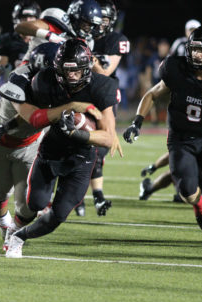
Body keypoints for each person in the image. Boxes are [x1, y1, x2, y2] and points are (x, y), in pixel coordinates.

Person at [123, 27, 202, 250]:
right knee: (187, 191)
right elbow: (153, 93)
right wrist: (137, 121)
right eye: (194, 50)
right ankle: (199, 207)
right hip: (181, 140)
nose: (197, 55)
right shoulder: (176, 68)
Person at [5, 39, 118, 258]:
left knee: (59, 214)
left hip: (82, 158)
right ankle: (15, 226)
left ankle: (19, 237)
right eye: (67, 71)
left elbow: (108, 138)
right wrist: (6, 127)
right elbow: (34, 115)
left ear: (86, 68)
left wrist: (78, 133)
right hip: (52, 151)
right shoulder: (45, 81)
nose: (71, 76)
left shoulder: (101, 86)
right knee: (34, 202)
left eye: (76, 71)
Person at [0, 42, 66, 250]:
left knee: (28, 203)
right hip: (0, 142)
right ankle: (2, 220)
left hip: (30, 144)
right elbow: (32, 117)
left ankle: (14, 232)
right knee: (0, 191)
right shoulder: (19, 79)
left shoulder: (59, 81)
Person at [76, 0, 128, 217]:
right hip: (79, 93)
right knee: (73, 142)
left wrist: (87, 52)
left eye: (104, 20)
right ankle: (77, 196)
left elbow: (105, 72)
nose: (99, 24)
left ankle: (96, 196)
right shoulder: (80, 33)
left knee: (100, 148)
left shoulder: (116, 40)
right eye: (96, 20)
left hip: (104, 96)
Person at [15, 0, 103, 61]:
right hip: (31, 68)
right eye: (86, 23)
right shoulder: (58, 20)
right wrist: (50, 36)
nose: (89, 28)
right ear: (76, 18)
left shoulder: (88, 42)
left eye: (92, 25)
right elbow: (20, 27)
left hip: (58, 77)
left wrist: (94, 59)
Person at [0, 0, 41, 82]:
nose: (28, 21)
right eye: (24, 18)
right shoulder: (8, 40)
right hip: (17, 84)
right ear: (16, 20)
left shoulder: (43, 40)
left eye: (31, 17)